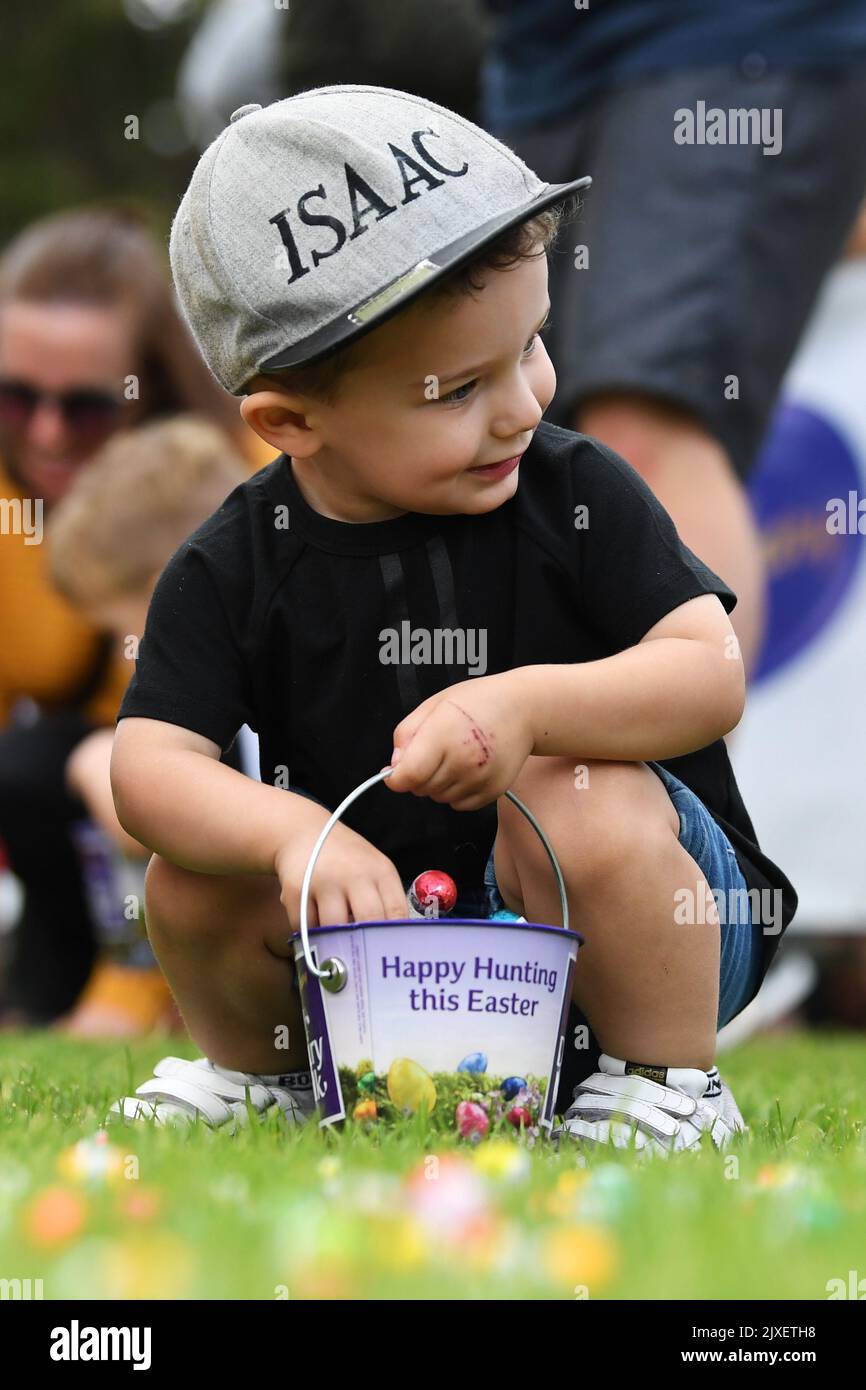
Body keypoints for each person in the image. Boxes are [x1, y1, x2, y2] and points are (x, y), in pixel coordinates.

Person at [109, 88, 797, 1151]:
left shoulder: (574, 491)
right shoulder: (235, 560)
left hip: (656, 925)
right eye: (456, 387)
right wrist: (288, 834)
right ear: (291, 421)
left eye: (529, 347)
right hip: (384, 956)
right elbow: (148, 767)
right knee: (191, 870)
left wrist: (527, 706)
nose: (522, 404)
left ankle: (663, 1083)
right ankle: (273, 1070)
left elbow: (706, 671)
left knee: (563, 785)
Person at [480, 0, 866, 678]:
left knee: (639, 438)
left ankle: (676, 780)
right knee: (526, 458)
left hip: (736, 31)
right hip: (535, 56)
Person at [0, 205, 275, 1024]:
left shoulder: (248, 485)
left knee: (155, 782)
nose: (46, 431)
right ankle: (53, 991)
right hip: (74, 786)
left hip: (219, 772)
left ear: (146, 381)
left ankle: (168, 992)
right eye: (15, 397)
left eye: (84, 404)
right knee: (28, 768)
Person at [44, 415, 251, 1036]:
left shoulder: (246, 688)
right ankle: (147, 994)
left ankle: (161, 999)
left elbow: (154, 821)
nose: (117, 655)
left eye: (120, 630)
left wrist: (94, 764)